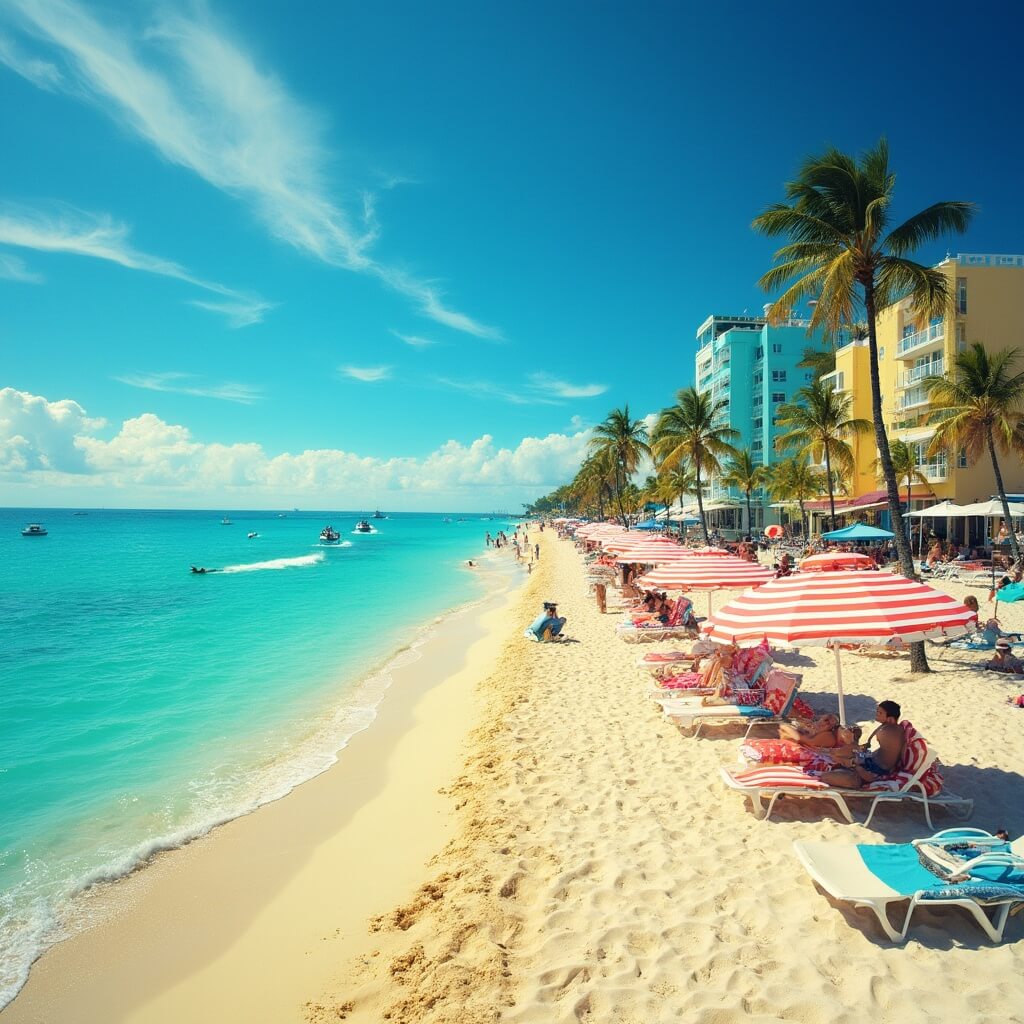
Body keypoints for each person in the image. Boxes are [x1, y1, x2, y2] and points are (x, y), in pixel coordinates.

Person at [817, 700, 906, 789]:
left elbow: (873, 772)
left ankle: (848, 770)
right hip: (871, 762)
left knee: (829, 773)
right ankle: (844, 764)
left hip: (874, 770)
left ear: (890, 719)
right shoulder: (889, 727)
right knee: (842, 755)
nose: (877, 714)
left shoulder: (888, 731)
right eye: (877, 711)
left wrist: (853, 745)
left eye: (880, 713)